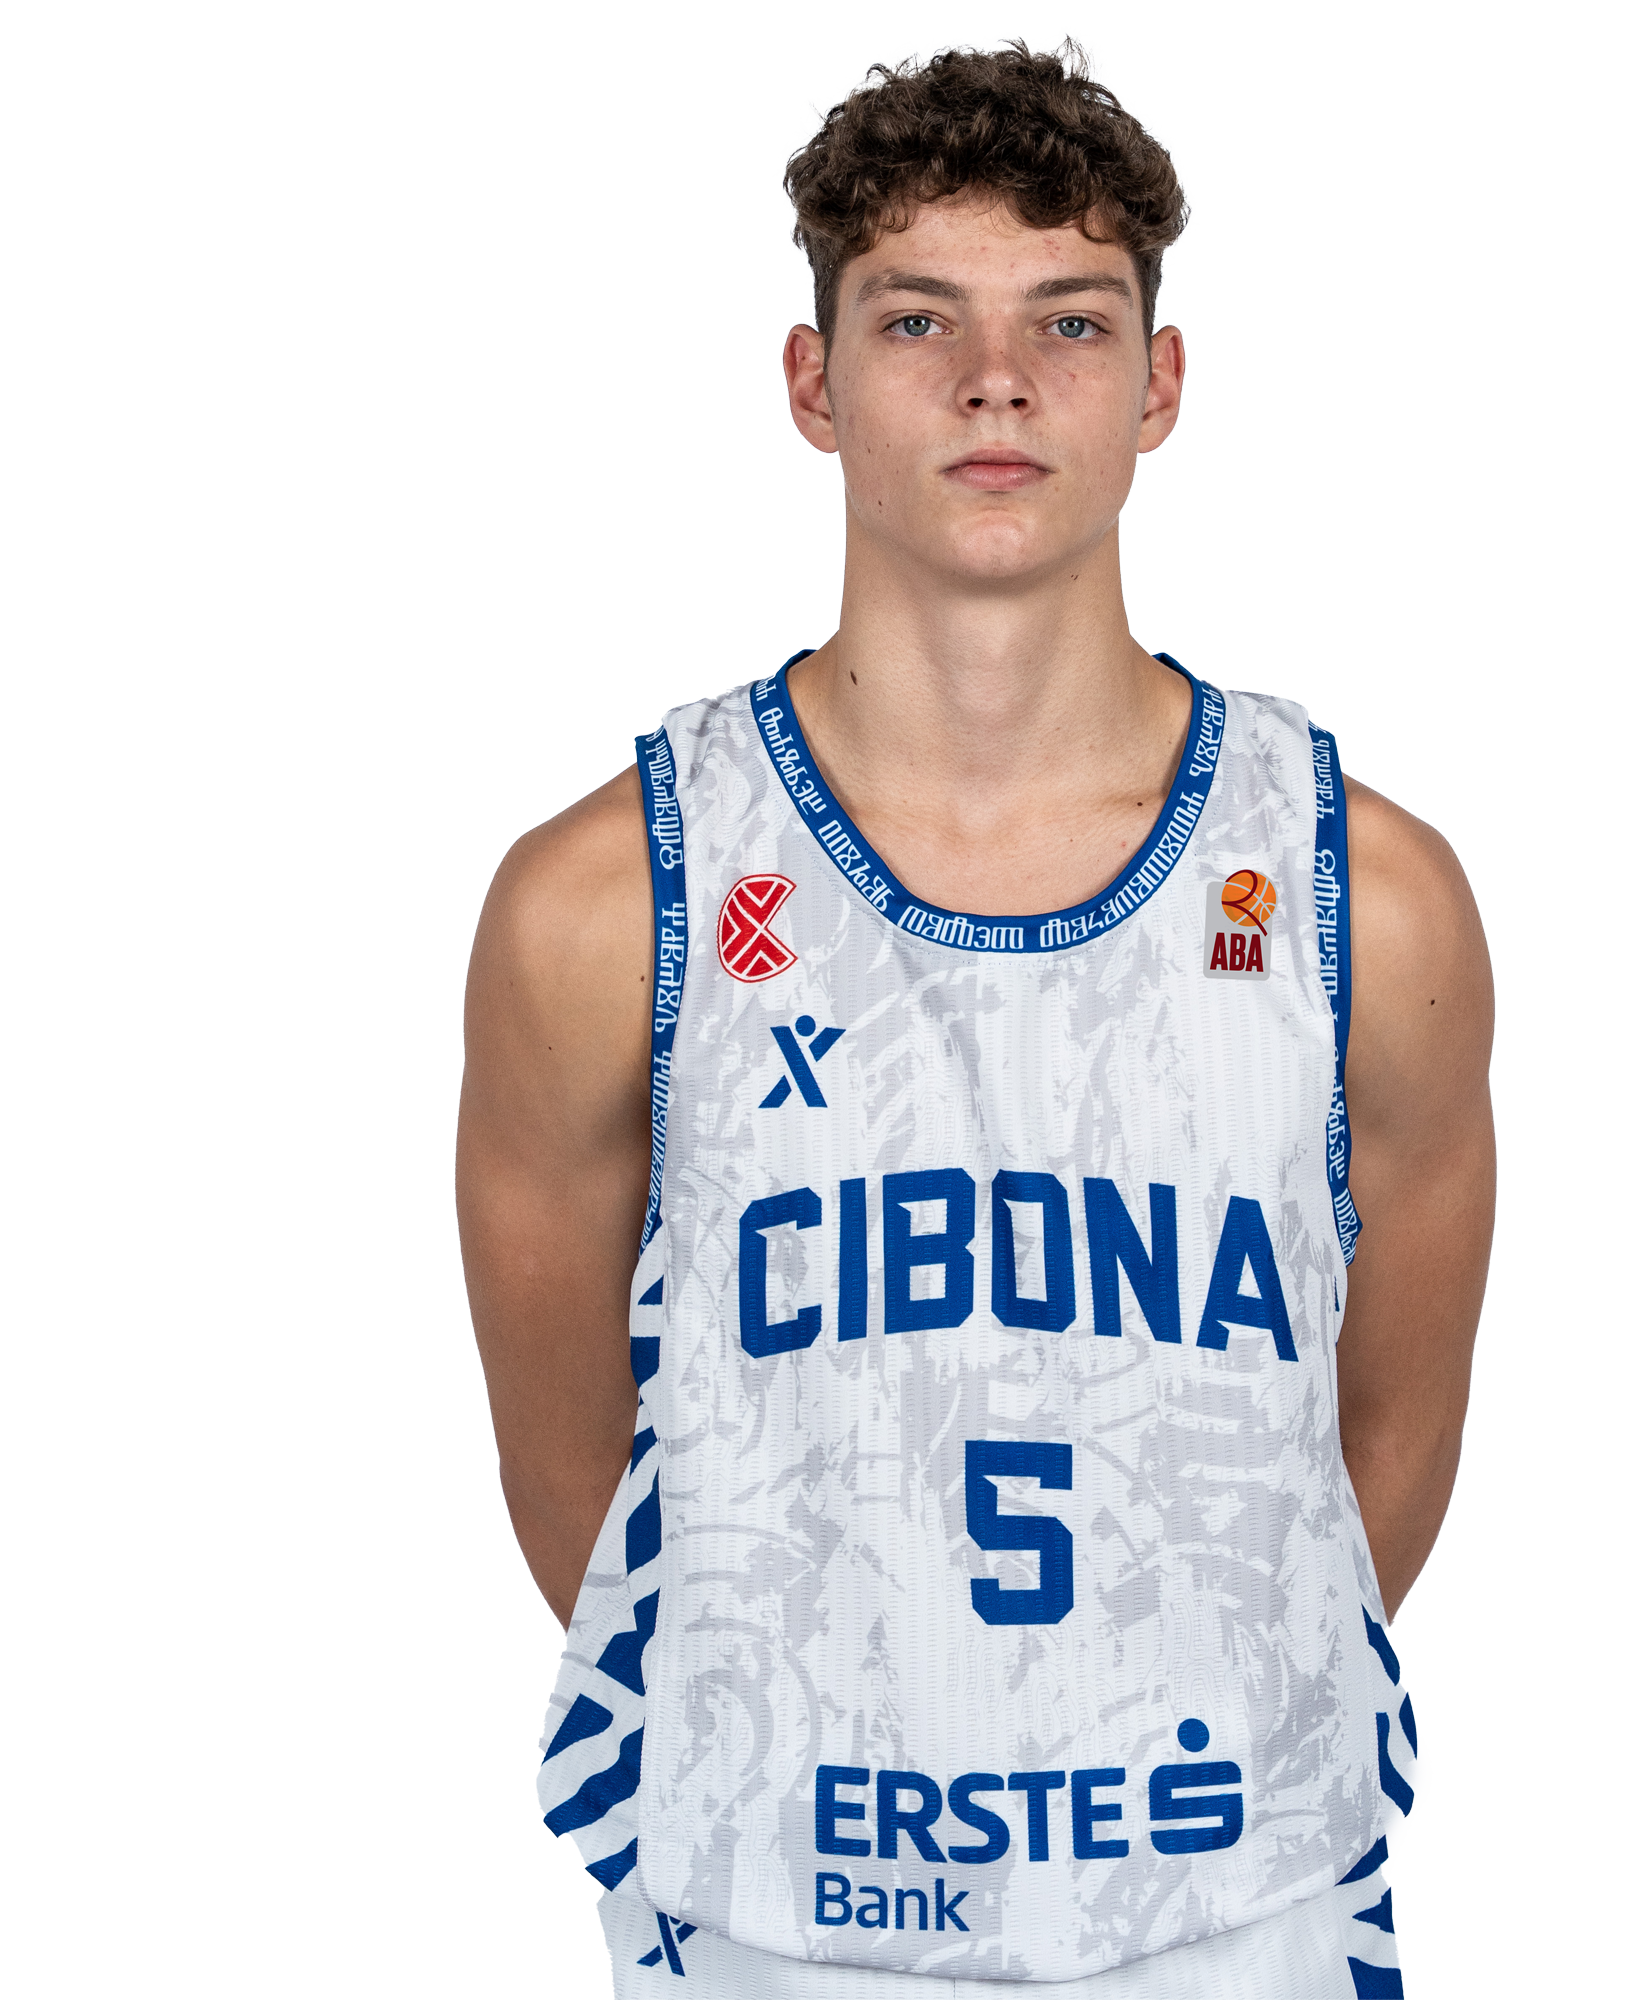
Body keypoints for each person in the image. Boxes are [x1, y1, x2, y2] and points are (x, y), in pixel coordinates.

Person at [457, 36, 1492, 2000]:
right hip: (775, 1907)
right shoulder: (607, 901)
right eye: (918, 317)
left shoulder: (1367, 894)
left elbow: (1389, 1435)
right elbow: (572, 1476)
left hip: (1226, 1903)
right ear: (813, 381)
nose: (995, 379)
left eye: (1069, 322)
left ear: (1158, 386)